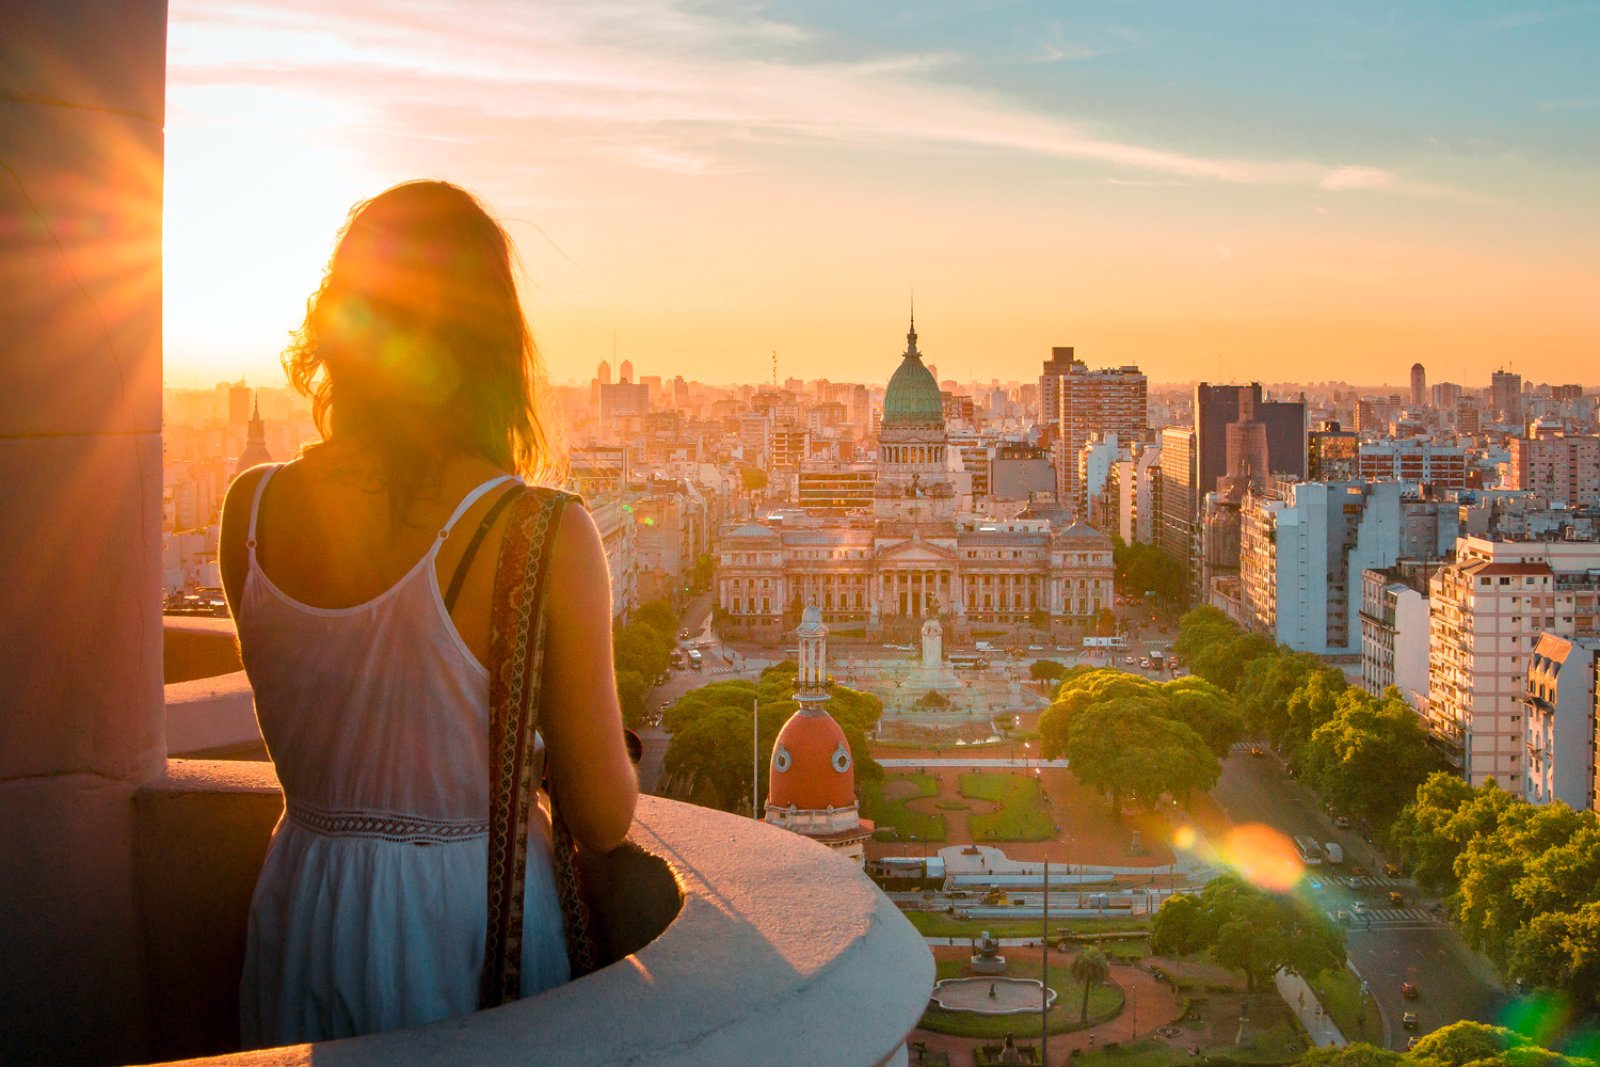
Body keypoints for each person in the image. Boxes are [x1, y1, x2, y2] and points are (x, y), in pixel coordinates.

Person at [222, 181, 638, 1047]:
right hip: (472, 928)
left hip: (303, 905)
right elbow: (602, 816)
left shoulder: (248, 511)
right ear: (492, 344)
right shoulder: (542, 533)